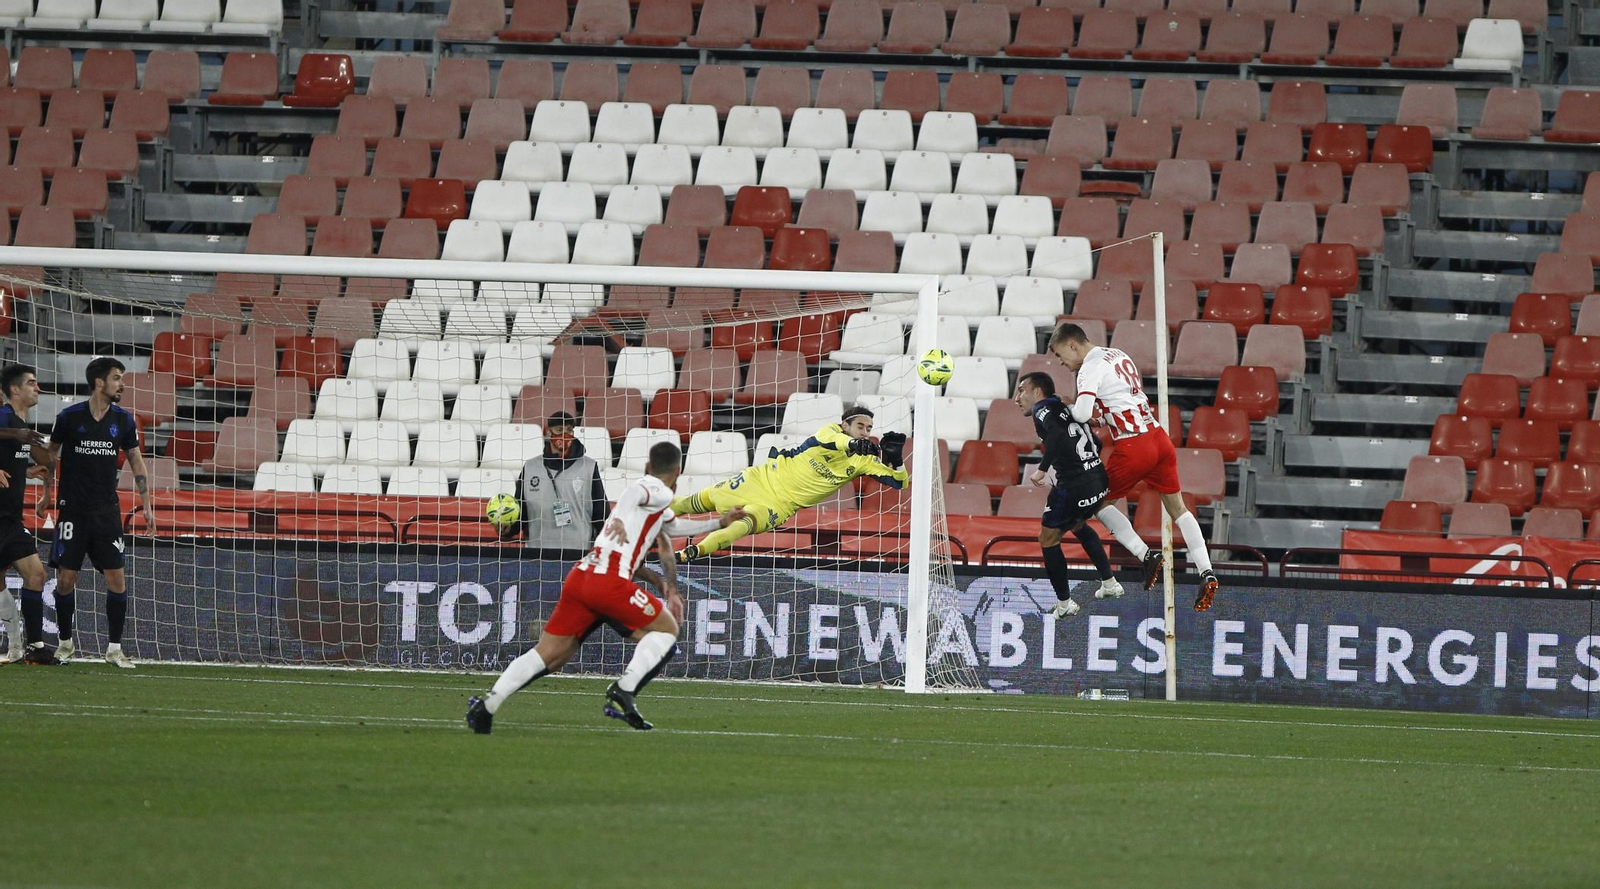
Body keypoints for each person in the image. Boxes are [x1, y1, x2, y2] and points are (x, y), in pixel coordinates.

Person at [466, 442, 747, 733]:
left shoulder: (655, 508)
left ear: (648, 465)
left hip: (582, 576)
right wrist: (622, 517)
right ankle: (624, 690)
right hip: (609, 582)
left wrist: (719, 523)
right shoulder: (655, 489)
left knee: (550, 653)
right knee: (667, 629)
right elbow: (634, 493)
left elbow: (673, 530)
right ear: (678, 471)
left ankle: (487, 705)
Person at [1047, 323, 1220, 611]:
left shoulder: (1089, 368)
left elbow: (1081, 412)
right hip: (1158, 437)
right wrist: (1095, 417)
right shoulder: (1118, 354)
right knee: (1178, 509)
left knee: (1096, 504)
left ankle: (1145, 556)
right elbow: (1112, 406)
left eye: (1059, 354)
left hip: (1133, 446)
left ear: (1072, 345)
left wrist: (1065, 408)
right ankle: (1207, 571)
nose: (1061, 362)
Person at [669, 405, 907, 562]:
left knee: (741, 526)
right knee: (696, 502)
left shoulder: (863, 461)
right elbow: (833, 441)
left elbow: (900, 483)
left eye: (869, 429)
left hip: (780, 505)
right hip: (761, 479)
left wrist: (896, 460)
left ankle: (693, 551)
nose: (865, 432)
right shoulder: (828, 432)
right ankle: (644, 510)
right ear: (845, 425)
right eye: (861, 426)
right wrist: (853, 445)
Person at [39, 357, 158, 668]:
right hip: (72, 512)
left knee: (117, 580)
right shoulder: (69, 417)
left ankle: (114, 649)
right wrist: (46, 494)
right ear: (99, 383)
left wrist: (146, 504)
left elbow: (136, 460)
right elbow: (50, 456)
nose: (122, 383)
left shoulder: (124, 420)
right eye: (117, 378)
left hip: (106, 512)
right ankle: (65, 644)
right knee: (65, 580)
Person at [1012, 371, 1124, 618]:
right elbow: (1098, 444)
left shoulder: (1042, 409)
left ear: (1038, 392)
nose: (1017, 398)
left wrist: (1042, 470)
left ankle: (1065, 603)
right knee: (1077, 523)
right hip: (1097, 476)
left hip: (1074, 485)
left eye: (1021, 390)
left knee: (1048, 538)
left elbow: (1058, 435)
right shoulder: (1066, 408)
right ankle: (1109, 582)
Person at [0, 365, 53, 665]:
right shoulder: (5, 417)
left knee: (36, 575)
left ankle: (32, 647)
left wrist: (31, 467)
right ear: (15, 389)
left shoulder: (23, 426)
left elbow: (45, 459)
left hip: (10, 519)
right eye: (32, 383)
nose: (38, 388)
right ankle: (18, 647)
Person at [496, 412, 608, 554]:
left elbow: (602, 514)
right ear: (549, 433)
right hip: (537, 555)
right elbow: (521, 513)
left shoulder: (589, 467)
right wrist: (508, 529)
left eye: (569, 430)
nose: (565, 434)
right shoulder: (531, 468)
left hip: (578, 555)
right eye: (559, 430)